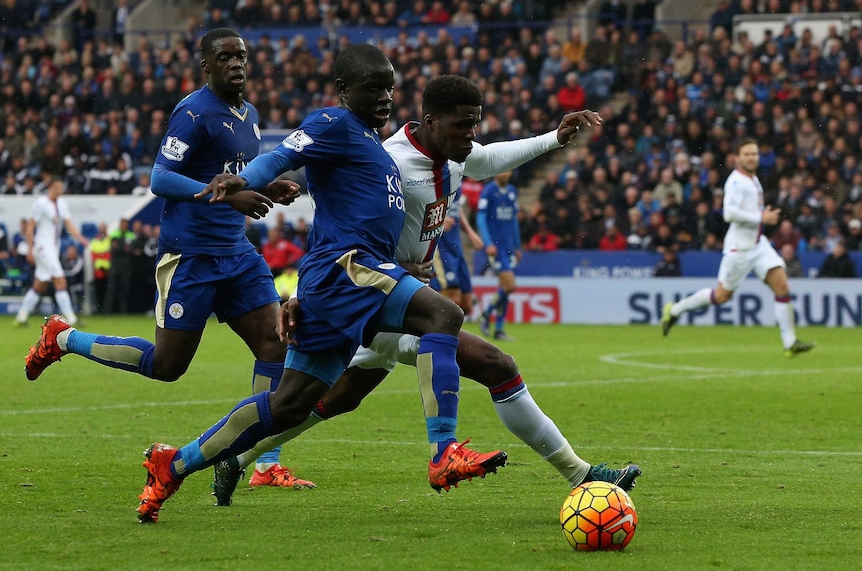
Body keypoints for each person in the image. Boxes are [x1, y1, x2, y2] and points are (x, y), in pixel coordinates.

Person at [212, 75, 641, 506]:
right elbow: (337, 227)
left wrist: (554, 138)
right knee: (496, 364)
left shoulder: (452, 152)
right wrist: (306, 293)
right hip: (372, 297)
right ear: (432, 121)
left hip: (397, 300)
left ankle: (239, 457)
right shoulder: (391, 162)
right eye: (463, 125)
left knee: (333, 399)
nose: (471, 136)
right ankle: (580, 474)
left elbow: (489, 159)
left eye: (476, 125)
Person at [133, 43, 507, 523]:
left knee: (289, 405)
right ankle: (443, 452)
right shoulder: (333, 123)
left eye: (390, 88)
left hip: (338, 281)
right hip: (346, 268)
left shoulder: (370, 141)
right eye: (373, 88)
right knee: (444, 315)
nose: (385, 98)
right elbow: (281, 156)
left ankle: (174, 463)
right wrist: (241, 179)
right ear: (344, 90)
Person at [23, 28, 314, 491]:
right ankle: (64, 337)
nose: (236, 63)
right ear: (207, 65)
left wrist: (261, 191)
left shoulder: (251, 115)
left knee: (276, 346)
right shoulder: (192, 112)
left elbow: (232, 180)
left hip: (236, 253)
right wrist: (223, 199)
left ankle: (258, 463)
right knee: (167, 366)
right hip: (190, 256)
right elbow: (161, 177)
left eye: (241, 56)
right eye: (225, 57)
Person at [661, 138, 815, 357]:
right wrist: (760, 217)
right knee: (722, 296)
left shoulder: (752, 178)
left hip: (758, 244)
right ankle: (675, 310)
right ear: (738, 158)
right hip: (739, 249)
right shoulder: (735, 182)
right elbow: (729, 214)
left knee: (782, 287)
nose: (751, 157)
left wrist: (760, 220)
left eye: (754, 154)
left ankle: (790, 343)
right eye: (747, 154)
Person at [14, 177, 89, 327]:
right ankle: (71, 318)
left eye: (61, 188)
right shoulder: (41, 204)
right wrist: (30, 248)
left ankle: (21, 317)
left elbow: (68, 223)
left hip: (53, 249)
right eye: (57, 188)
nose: (59, 191)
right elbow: (30, 225)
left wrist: (80, 238)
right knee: (60, 278)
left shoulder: (62, 204)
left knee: (40, 284)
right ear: (51, 188)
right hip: (43, 247)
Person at [477, 170, 521, 341]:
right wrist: (488, 243)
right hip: (496, 247)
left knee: (506, 288)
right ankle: (486, 314)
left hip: (509, 246)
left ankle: (499, 329)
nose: (505, 174)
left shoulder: (512, 191)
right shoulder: (489, 191)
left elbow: (514, 220)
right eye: (502, 170)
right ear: (496, 173)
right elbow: (481, 218)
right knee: (510, 286)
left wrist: (517, 245)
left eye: (508, 170)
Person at [431, 193, 483, 315]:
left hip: (456, 247)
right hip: (440, 247)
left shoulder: (456, 178)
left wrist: (470, 232)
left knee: (466, 305)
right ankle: (433, 332)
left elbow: (456, 208)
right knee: (451, 299)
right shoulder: (432, 178)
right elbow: (419, 206)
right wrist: (439, 223)